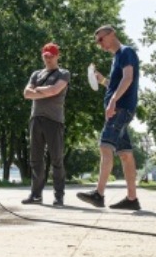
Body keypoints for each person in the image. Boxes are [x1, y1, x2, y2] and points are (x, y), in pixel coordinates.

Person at [77, 25, 141, 211]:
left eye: (101, 39)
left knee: (105, 146)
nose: (100, 44)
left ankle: (99, 194)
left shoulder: (126, 51)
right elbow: (115, 84)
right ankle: (132, 199)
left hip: (120, 109)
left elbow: (128, 78)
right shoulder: (116, 59)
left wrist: (113, 101)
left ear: (112, 34)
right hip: (121, 108)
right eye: (97, 42)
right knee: (125, 154)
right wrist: (102, 80)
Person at [22, 42, 70, 207]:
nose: (48, 59)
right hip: (36, 118)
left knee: (56, 159)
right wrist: (45, 90)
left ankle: (59, 196)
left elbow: (55, 91)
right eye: (45, 56)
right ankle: (36, 194)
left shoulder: (63, 73)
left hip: (54, 120)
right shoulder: (36, 74)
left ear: (57, 56)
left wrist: (39, 90)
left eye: (51, 56)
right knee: (35, 160)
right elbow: (26, 94)